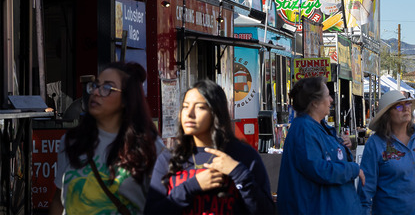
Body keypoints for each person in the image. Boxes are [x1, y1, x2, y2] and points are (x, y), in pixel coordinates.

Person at [145, 79, 274, 214]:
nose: (189, 114)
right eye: (185, 106)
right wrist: (191, 186)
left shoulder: (244, 156)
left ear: (215, 112)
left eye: (200, 107)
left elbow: (266, 211)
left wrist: (239, 173)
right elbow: (152, 211)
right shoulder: (168, 158)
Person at [52, 62, 164, 215]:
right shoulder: (72, 141)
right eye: (95, 85)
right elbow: (59, 200)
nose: (96, 92)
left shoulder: (149, 147)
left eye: (107, 88)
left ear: (126, 99)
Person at [275, 77, 362, 215]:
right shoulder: (304, 129)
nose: (331, 100)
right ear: (315, 102)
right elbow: (319, 169)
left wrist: (343, 147)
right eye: (327, 95)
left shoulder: (318, 126)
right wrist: (353, 169)